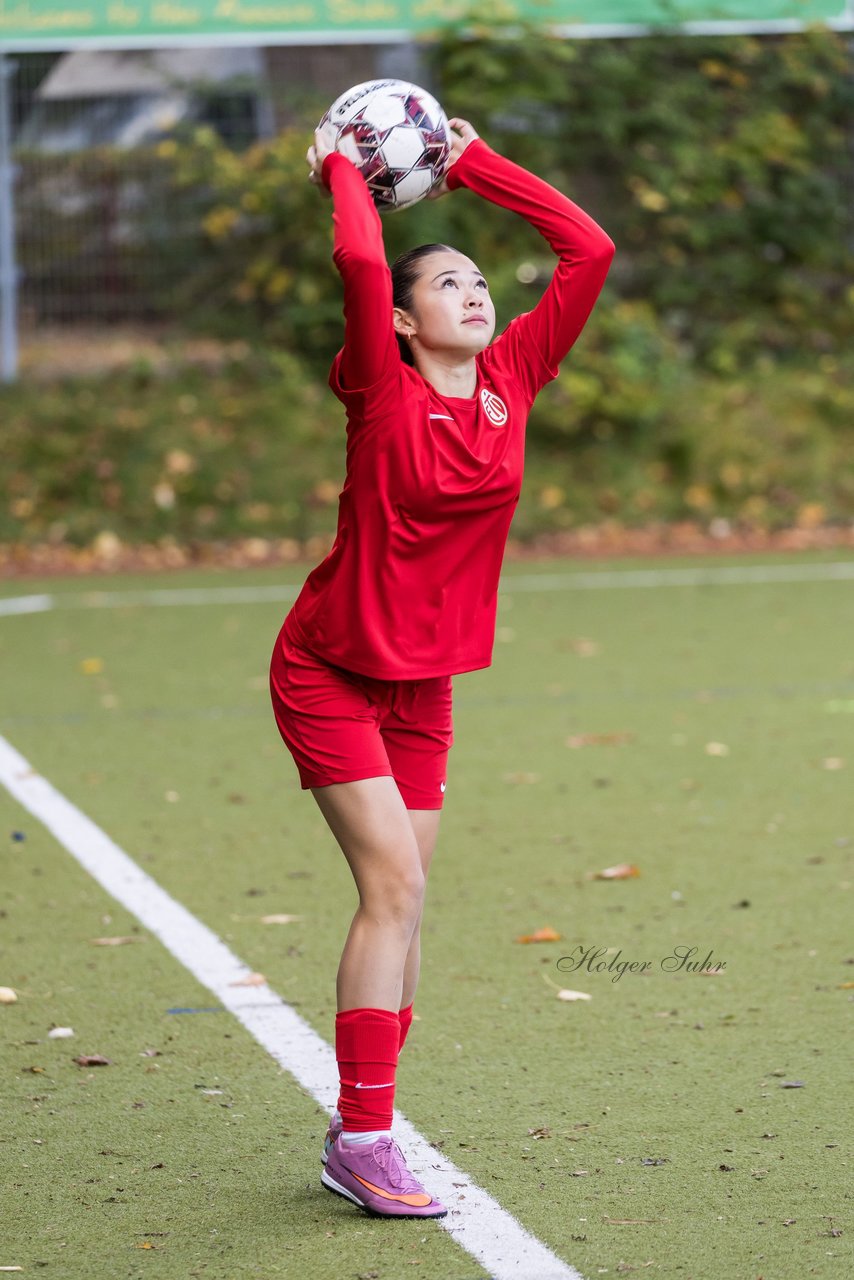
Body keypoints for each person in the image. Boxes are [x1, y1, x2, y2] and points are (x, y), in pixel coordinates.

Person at [269, 114, 614, 1220]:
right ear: (405, 322)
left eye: (478, 281)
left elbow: (587, 249)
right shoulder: (381, 385)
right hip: (328, 669)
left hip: (426, 683)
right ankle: (366, 1139)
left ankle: (359, 1124)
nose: (474, 295)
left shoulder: (513, 375)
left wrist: (467, 164)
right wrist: (341, 156)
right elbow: (363, 257)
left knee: (406, 908)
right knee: (395, 888)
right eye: (447, 283)